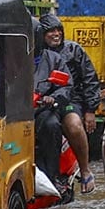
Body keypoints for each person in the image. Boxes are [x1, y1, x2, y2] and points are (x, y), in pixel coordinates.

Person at [37, 14, 101, 194]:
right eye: (50, 31)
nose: (55, 34)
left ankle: (86, 171)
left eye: (58, 30)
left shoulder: (74, 50)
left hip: (70, 101)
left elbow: (90, 79)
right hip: (41, 104)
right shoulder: (36, 54)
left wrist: (90, 110)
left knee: (74, 125)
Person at [32, 18, 73, 191]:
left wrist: (53, 98)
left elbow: (66, 86)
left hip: (44, 109)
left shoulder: (54, 59)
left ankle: (52, 175)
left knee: (51, 125)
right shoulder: (12, 58)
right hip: (17, 111)